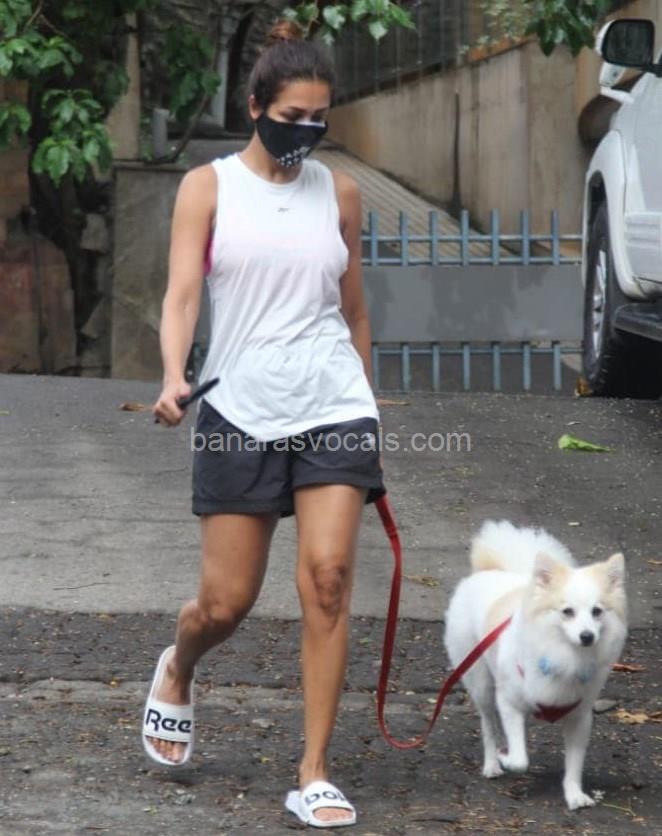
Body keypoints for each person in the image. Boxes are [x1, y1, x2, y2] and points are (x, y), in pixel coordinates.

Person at [143, 16, 386, 829]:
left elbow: (353, 311)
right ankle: (180, 665)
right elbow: (182, 294)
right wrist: (174, 374)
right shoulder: (208, 188)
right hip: (239, 408)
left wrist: (365, 405)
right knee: (224, 603)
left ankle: (313, 771)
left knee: (328, 580)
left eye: (320, 119)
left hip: (332, 405)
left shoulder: (340, 194)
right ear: (254, 107)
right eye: (291, 118)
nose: (306, 133)